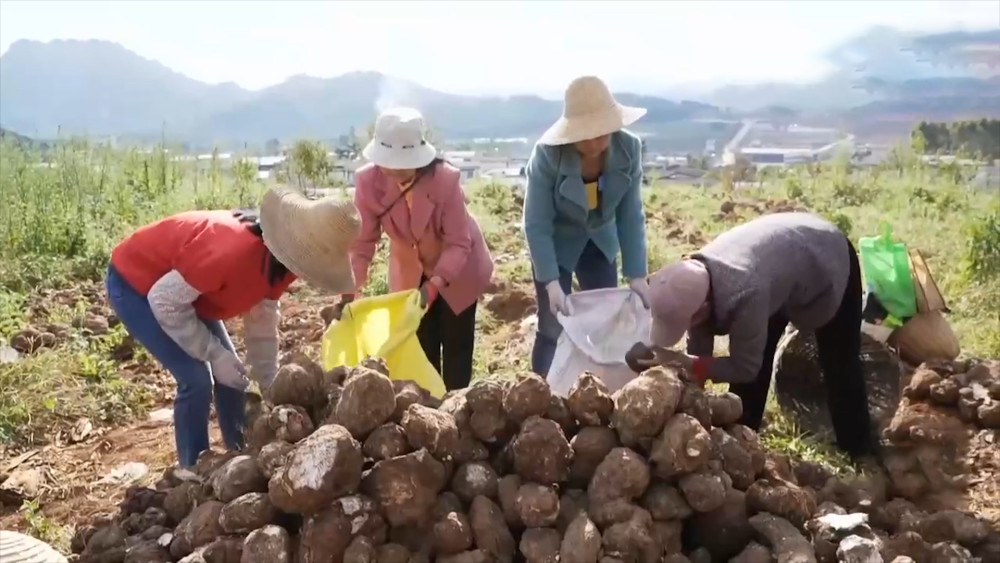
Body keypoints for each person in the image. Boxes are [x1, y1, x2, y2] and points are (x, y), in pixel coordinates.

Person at [105, 189, 360, 467]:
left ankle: (239, 453)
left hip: (190, 295)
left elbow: (262, 321)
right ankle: (193, 469)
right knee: (196, 379)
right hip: (138, 286)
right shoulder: (228, 251)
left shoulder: (283, 261)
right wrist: (212, 352)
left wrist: (270, 384)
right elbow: (164, 301)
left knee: (233, 377)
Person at [628, 212, 874, 458]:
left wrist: (686, 363)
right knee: (755, 356)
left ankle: (859, 448)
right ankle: (743, 438)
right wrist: (686, 392)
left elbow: (745, 367)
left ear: (702, 307)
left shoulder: (746, 294)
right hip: (778, 262)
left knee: (839, 360)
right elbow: (699, 348)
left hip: (826, 254)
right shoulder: (692, 278)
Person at [338, 106, 494, 391]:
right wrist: (350, 288)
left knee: (456, 350)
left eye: (401, 162)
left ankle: (458, 412)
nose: (393, 169)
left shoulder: (445, 180)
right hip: (410, 271)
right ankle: (430, 416)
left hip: (459, 268)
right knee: (421, 349)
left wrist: (435, 285)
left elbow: (459, 242)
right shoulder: (368, 182)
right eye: (388, 162)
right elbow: (362, 242)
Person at [523, 75, 650, 377]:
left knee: (605, 321)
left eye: (602, 133)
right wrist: (551, 282)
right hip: (557, 244)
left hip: (600, 242)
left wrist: (637, 274)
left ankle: (598, 388)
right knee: (552, 325)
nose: (595, 142)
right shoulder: (548, 156)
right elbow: (536, 223)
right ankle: (542, 392)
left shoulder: (628, 149)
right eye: (586, 135)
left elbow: (630, 214)